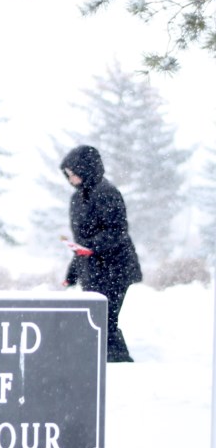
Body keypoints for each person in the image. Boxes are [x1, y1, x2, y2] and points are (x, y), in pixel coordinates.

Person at [60, 145, 142, 363]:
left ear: (85, 169)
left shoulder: (107, 193)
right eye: (67, 174)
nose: (71, 178)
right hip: (93, 270)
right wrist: (73, 273)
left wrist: (93, 248)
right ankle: (102, 361)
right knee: (98, 319)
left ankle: (119, 362)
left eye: (73, 173)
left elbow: (117, 231)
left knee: (105, 319)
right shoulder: (77, 199)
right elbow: (81, 242)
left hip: (116, 268)